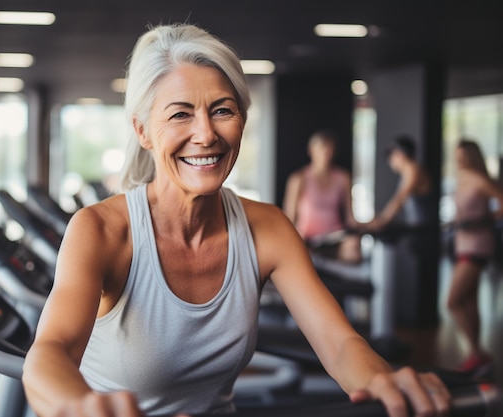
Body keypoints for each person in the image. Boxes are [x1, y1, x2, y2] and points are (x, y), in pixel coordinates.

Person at [22, 23, 451, 417]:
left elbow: (339, 343)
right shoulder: (101, 231)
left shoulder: (267, 228)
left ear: (243, 120)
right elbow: (50, 352)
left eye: (223, 110)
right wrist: (76, 405)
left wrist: (381, 378)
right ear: (143, 131)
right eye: (180, 114)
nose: (206, 134)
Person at [447, 139, 503, 374]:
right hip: (463, 243)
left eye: (464, 156)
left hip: (478, 245)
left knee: (452, 301)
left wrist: (484, 220)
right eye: (457, 156)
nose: (460, 161)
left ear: (472, 157)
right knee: (469, 300)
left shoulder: (480, 180)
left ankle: (476, 353)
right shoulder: (461, 180)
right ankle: (478, 355)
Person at [282, 130, 362, 263]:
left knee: (352, 248)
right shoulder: (299, 179)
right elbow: (289, 216)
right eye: (322, 147)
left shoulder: (343, 177)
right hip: (308, 239)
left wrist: (369, 225)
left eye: (330, 148)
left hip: (335, 237)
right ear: (311, 150)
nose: (326, 152)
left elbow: (350, 218)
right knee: (297, 252)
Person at [363, 135, 434, 232]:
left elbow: (400, 197)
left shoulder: (412, 169)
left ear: (400, 154)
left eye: (391, 155)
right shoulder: (409, 171)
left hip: (423, 230)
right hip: (417, 228)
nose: (390, 160)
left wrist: (382, 220)